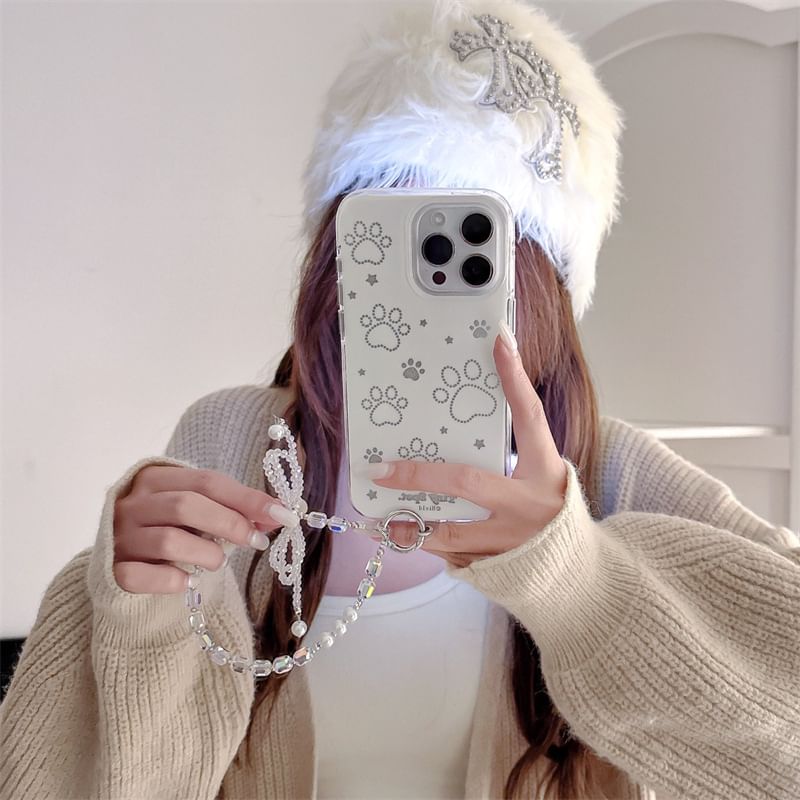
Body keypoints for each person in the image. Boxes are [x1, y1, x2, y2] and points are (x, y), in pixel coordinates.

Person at [2, 1, 799, 798]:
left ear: (542, 283)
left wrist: (579, 583)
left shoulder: (607, 473)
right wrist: (135, 614)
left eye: (476, 243)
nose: (426, 305)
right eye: (384, 234)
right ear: (336, 262)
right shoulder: (238, 441)